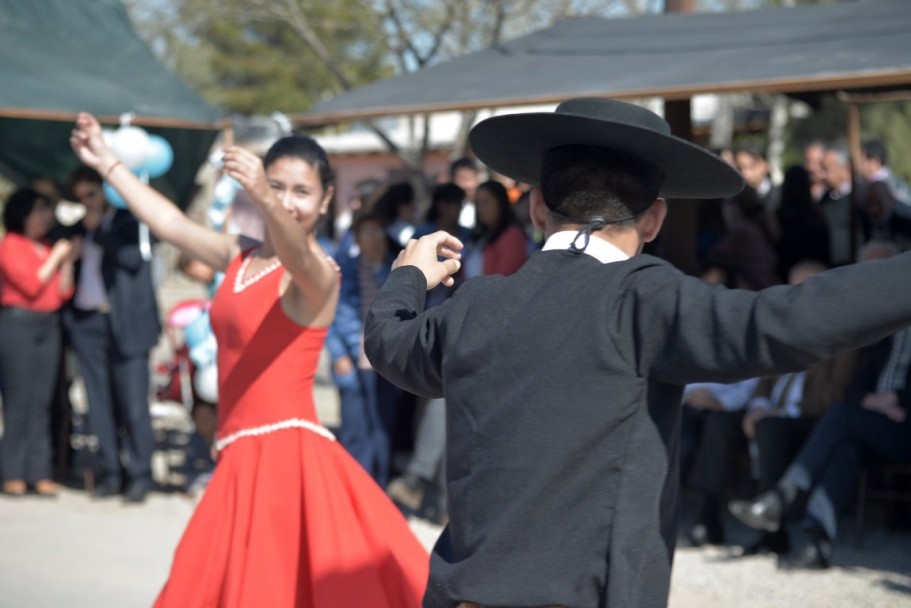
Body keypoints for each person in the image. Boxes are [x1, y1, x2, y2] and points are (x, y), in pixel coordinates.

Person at [364, 97, 911, 608]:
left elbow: (388, 340)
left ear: (535, 207)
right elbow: (786, 321)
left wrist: (409, 274)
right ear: (654, 219)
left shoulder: (475, 305)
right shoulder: (643, 299)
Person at [70, 112, 427, 607]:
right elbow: (169, 221)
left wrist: (261, 193)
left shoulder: (318, 273)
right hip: (238, 451)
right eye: (275, 185)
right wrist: (108, 162)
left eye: (301, 191)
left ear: (326, 200)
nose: (285, 200)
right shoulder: (238, 256)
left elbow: (297, 253)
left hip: (281, 457)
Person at [63, 166, 160, 503]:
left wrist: (100, 234)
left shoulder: (129, 221)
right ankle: (110, 473)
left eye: (91, 195)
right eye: (80, 198)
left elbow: (134, 260)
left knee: (133, 404)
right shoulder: (77, 230)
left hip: (127, 326)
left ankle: (140, 474)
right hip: (88, 323)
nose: (86, 203)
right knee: (98, 404)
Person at [0, 188, 76, 497]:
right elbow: (32, 285)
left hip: (49, 325)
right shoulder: (10, 246)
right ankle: (13, 471)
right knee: (18, 402)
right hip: (17, 324)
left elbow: (62, 292)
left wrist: (67, 262)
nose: (45, 217)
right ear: (23, 215)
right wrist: (57, 257)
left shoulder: (46, 247)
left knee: (42, 403)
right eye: (39, 211)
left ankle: (40, 471)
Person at [327, 212, 402, 486]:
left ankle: (378, 489)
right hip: (352, 361)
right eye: (366, 232)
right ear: (356, 237)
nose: (373, 237)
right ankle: (356, 490)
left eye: (377, 230)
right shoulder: (345, 269)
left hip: (385, 363)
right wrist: (338, 354)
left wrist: (383, 268)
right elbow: (330, 316)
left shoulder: (396, 271)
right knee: (355, 430)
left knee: (382, 429)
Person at [463, 180, 528, 279]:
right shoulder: (480, 235)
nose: (481, 208)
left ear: (500, 203)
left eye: (486, 202)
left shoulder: (512, 236)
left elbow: (503, 279)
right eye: (478, 203)